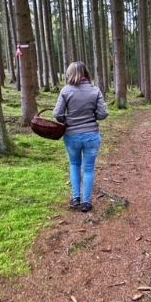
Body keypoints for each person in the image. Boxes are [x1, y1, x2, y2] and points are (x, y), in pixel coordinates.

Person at [54, 61, 109, 212]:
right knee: (89, 168)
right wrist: (93, 117)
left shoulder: (66, 91)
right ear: (86, 73)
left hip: (71, 135)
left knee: (74, 165)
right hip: (92, 135)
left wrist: (68, 120)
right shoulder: (95, 90)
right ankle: (86, 202)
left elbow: (57, 114)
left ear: (70, 74)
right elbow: (103, 113)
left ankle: (76, 198)